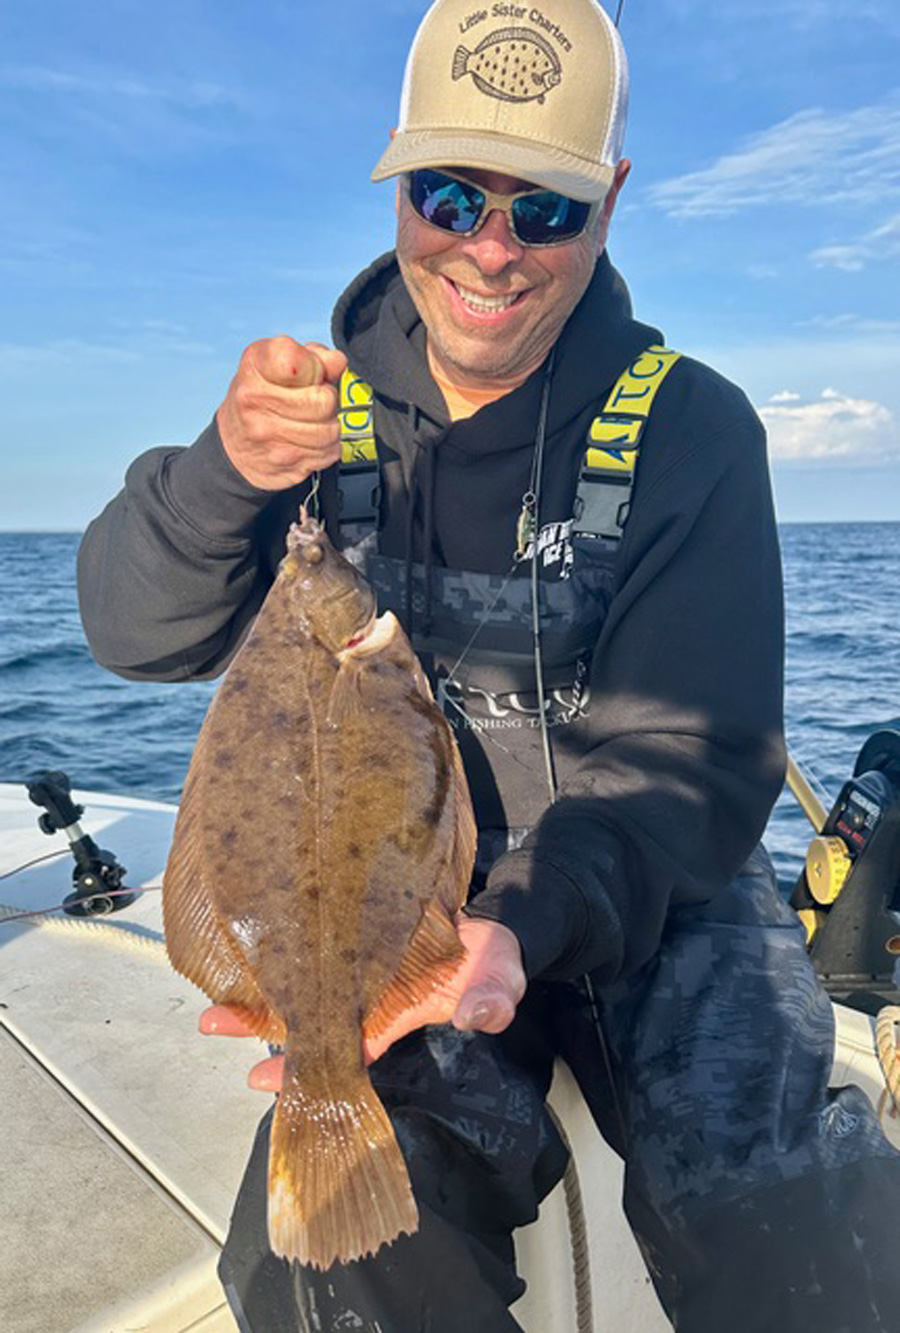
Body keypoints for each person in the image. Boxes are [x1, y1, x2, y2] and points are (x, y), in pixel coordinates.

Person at [78, 1, 900, 1329]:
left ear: (612, 201)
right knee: (325, 1259)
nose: (492, 248)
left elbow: (690, 771)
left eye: (547, 210)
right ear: (398, 179)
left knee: (793, 1227)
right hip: (406, 920)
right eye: (450, 194)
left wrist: (523, 918)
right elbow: (132, 628)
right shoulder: (302, 424)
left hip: (654, 896)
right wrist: (225, 473)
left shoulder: (691, 428)